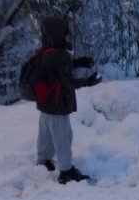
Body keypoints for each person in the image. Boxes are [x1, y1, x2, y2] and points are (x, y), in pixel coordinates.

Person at [35, 17, 102, 184]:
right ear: (57, 34)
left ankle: (43, 160)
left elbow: (56, 71)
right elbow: (67, 82)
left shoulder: (46, 51)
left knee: (46, 134)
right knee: (64, 137)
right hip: (58, 104)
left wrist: (78, 63)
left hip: (45, 103)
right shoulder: (60, 55)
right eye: (64, 35)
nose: (66, 38)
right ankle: (66, 171)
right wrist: (87, 82)